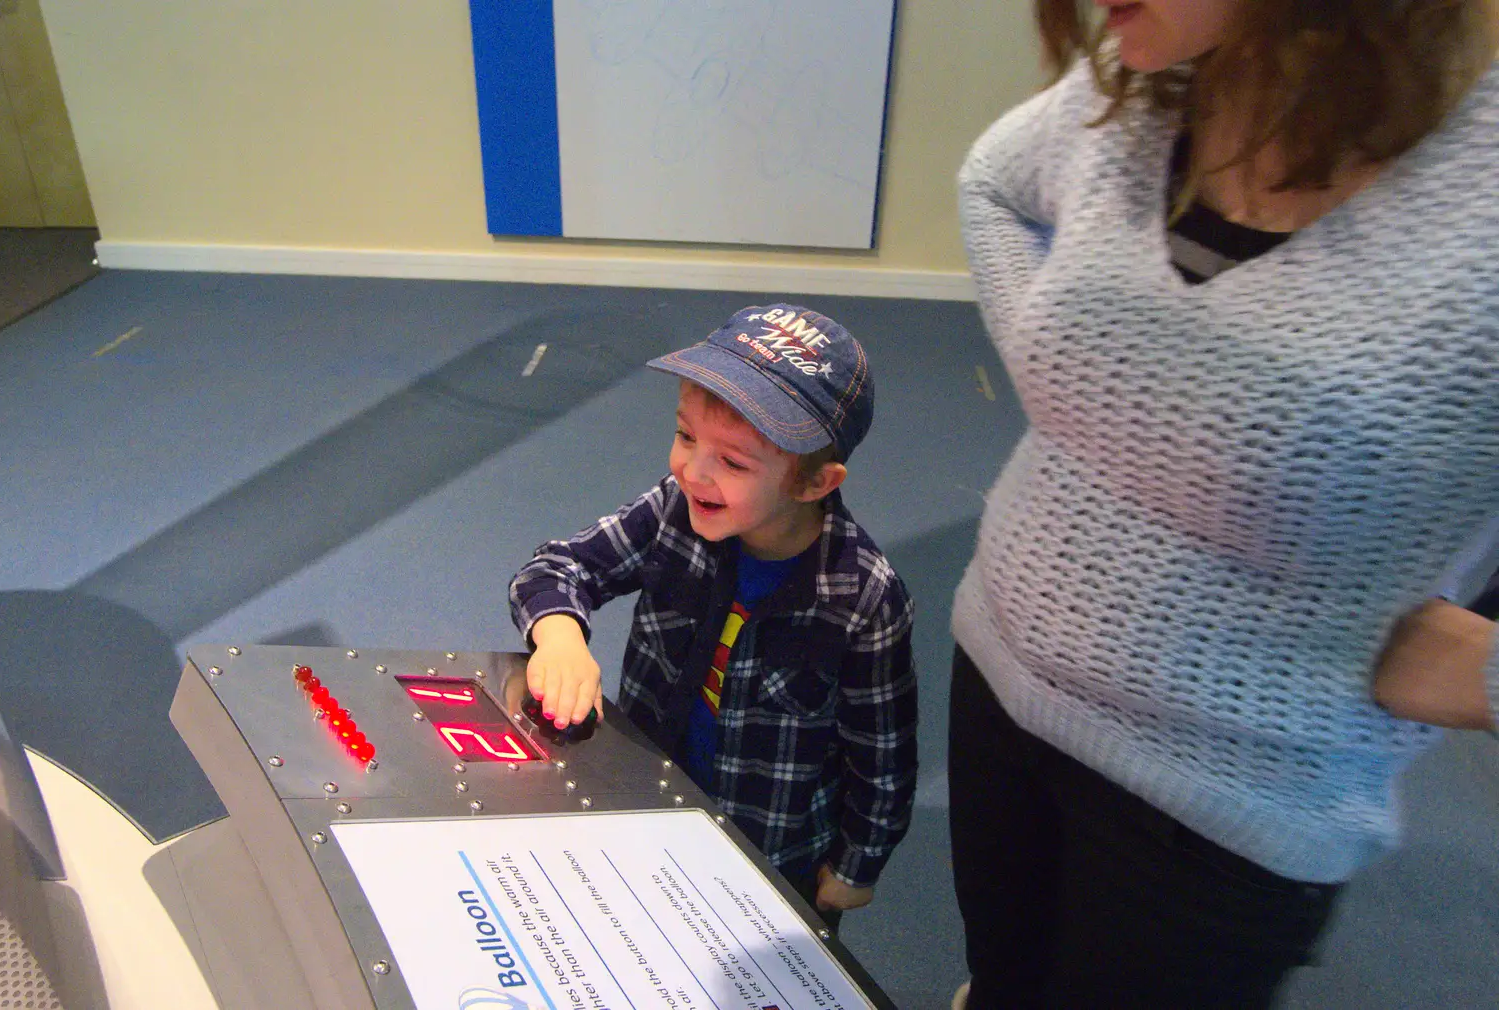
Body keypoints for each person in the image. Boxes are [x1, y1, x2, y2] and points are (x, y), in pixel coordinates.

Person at [948, 0, 1497, 1005]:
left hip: (1214, 805)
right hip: (997, 678)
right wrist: (1073, 389)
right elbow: (990, 183)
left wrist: (1480, 670)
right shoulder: (1146, 74)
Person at [509, 305, 918, 928]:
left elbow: (882, 753)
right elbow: (556, 568)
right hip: (646, 807)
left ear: (814, 483)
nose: (691, 470)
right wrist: (559, 636)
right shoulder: (675, 510)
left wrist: (857, 865)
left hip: (770, 856)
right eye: (685, 435)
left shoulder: (863, 596)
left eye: (732, 462)